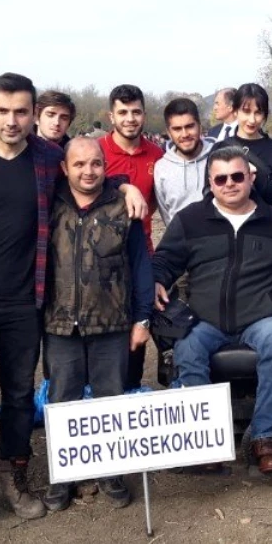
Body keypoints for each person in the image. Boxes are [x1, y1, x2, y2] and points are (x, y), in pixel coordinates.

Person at [0, 73, 146, 520]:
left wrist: (127, 186)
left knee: (18, 395)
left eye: (21, 112)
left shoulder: (47, 158)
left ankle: (15, 474)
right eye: (3, 110)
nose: (12, 120)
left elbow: (94, 174)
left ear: (33, 115)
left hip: (24, 301)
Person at [152, 146, 272, 474]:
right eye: (221, 178)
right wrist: (156, 279)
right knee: (188, 347)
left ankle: (264, 436)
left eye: (237, 176)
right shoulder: (190, 221)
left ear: (250, 178)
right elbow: (165, 259)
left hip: (259, 316)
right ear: (210, 182)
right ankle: (205, 439)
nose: (230, 184)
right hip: (205, 318)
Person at [43, 138, 154, 511]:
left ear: (105, 166)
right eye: (79, 165)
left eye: (95, 164)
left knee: (110, 399)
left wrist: (142, 318)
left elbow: (140, 265)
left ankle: (110, 471)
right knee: (62, 401)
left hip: (112, 322)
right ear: (65, 168)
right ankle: (64, 474)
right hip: (60, 323)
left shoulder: (123, 206)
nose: (87, 172)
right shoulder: (49, 204)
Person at [100, 84, 164, 390]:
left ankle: (130, 392)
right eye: (122, 112)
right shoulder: (95, 152)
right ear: (111, 116)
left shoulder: (157, 156)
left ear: (144, 115)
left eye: (135, 112)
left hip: (141, 256)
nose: (130, 118)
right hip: (98, 259)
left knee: (136, 334)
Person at [214, 83, 272, 209]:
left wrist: (256, 177)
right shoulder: (221, 148)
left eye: (258, 113)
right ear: (235, 111)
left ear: (265, 115)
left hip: (267, 225)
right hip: (230, 225)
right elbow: (210, 193)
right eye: (246, 112)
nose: (252, 120)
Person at [154, 97, 215, 228]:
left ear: (200, 126)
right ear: (169, 133)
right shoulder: (161, 168)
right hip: (181, 245)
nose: (185, 134)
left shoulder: (218, 158)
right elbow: (165, 213)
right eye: (177, 129)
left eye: (189, 126)